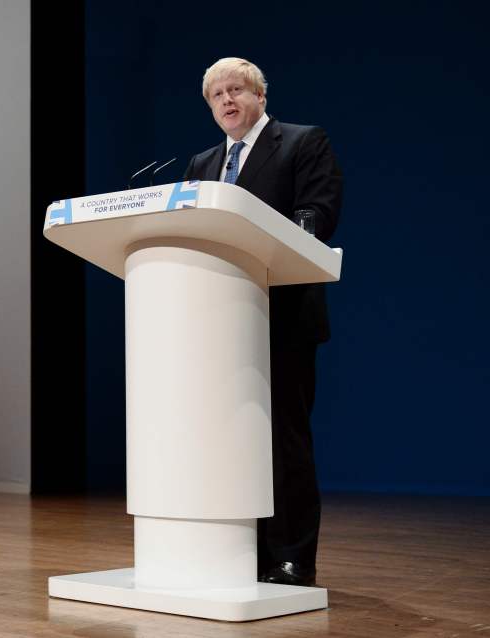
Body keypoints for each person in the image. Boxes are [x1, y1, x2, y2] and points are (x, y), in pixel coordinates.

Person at [182, 57, 343, 587]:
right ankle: (235, 550)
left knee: (283, 441)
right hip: (218, 327)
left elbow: (316, 214)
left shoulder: (301, 142)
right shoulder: (202, 165)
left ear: (260, 97)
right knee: (227, 441)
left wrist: (295, 234)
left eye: (236, 90)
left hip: (283, 317)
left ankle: (291, 556)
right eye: (216, 96)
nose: (227, 101)